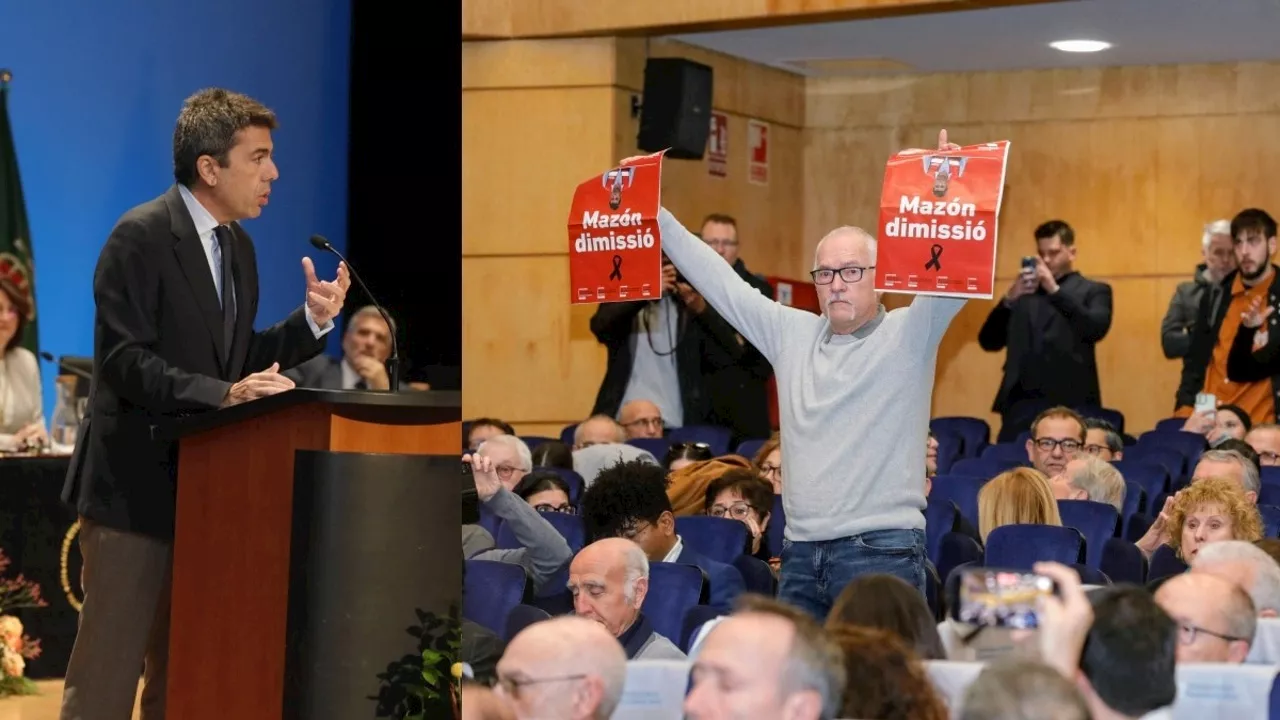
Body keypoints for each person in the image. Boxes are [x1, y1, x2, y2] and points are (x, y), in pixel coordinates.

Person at [58, 88, 350, 720]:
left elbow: (235, 356)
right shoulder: (139, 236)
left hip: (209, 493)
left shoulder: (236, 246)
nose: (273, 173)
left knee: (186, 675)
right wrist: (225, 394)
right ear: (209, 167)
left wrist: (310, 322)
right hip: (133, 493)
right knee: (105, 681)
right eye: (259, 157)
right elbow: (123, 362)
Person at [616, 129, 965, 618]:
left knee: (876, 691)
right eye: (824, 274)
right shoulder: (791, 333)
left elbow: (952, 274)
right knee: (799, 689)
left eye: (850, 272)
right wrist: (656, 215)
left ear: (881, 278)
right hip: (800, 553)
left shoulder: (912, 331)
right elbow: (719, 281)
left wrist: (950, 193)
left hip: (881, 550)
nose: (835, 285)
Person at [978, 219, 1113, 442]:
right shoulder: (1024, 292)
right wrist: (1009, 299)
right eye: (1042, 254)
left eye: (1054, 253)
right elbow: (988, 341)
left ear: (1072, 252)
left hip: (1073, 400)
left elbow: (1095, 328)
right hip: (1020, 403)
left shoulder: (1094, 290)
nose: (1047, 260)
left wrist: (1054, 290)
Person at [0, 274, 46, 451]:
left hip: (21, 469)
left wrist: (38, 434)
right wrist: (10, 442)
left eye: (12, 310)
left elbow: (37, 421)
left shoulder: (26, 361)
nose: (5, 317)